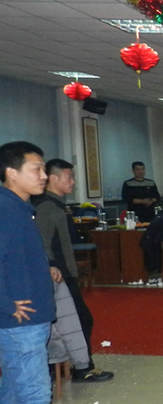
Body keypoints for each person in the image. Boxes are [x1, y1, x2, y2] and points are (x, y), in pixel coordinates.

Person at [0, 141, 84, 404]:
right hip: (20, 322)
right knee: (35, 396)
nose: (44, 175)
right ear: (11, 173)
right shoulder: (5, 209)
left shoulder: (21, 207)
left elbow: (14, 256)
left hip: (29, 316)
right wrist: (7, 304)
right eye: (36, 169)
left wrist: (44, 267)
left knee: (13, 390)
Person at [32, 158, 113, 382]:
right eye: (69, 177)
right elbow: (43, 243)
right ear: (53, 178)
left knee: (70, 322)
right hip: (59, 276)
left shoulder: (57, 205)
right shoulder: (47, 207)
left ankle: (68, 366)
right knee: (79, 320)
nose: (73, 182)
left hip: (64, 272)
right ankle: (82, 368)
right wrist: (52, 267)